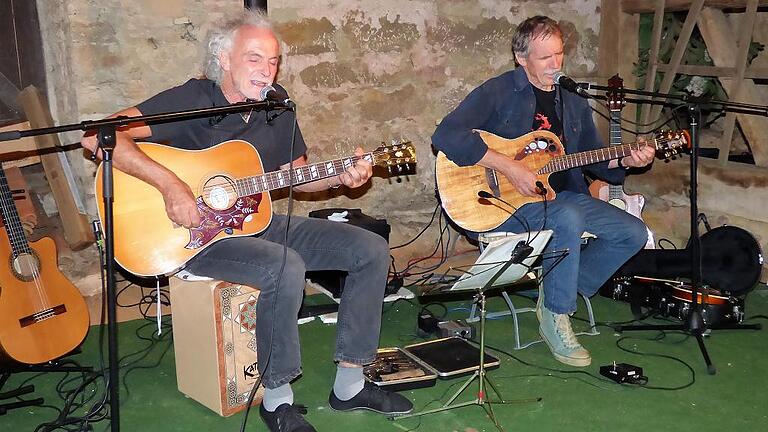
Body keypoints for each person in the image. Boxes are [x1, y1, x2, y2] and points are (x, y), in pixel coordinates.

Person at [81, 9, 412, 432]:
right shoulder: (193, 100)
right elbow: (99, 135)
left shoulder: (278, 107)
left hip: (257, 222)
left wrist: (343, 177)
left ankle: (350, 383)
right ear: (224, 59)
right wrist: (170, 186)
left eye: (273, 60)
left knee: (369, 248)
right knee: (284, 265)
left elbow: (299, 175)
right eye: (255, 58)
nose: (267, 70)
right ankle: (277, 400)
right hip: (195, 236)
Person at [432, 16, 655, 367]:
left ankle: (558, 289)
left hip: (565, 196)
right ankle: (557, 314)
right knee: (565, 216)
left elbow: (597, 162)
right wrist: (509, 167)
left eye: (559, 54)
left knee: (632, 232)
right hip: (505, 201)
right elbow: (445, 136)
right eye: (545, 57)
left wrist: (628, 160)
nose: (555, 64)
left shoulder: (574, 100)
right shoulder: (499, 91)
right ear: (522, 59)